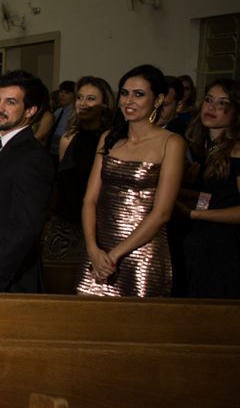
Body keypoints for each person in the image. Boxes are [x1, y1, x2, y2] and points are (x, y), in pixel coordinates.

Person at [76, 66, 183, 297]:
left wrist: (114, 256)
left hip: (142, 255)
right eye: (124, 93)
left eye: (139, 94)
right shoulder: (109, 138)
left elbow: (162, 213)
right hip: (98, 251)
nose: (129, 101)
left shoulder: (171, 142)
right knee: (87, 326)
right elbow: (90, 199)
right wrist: (93, 249)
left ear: (158, 100)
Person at [0, 70, 54, 293]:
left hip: (8, 281)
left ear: (31, 110)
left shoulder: (32, 157)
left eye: (10, 102)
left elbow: (26, 227)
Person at [41, 77, 113, 266]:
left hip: (94, 225)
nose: (83, 103)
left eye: (91, 98)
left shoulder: (112, 141)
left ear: (104, 104)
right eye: (80, 97)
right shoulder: (68, 139)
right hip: (63, 224)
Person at [182, 80, 240, 299]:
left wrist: (194, 214)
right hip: (198, 241)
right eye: (209, 100)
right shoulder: (200, 146)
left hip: (225, 247)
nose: (212, 107)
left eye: (223, 102)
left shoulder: (237, 150)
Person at [49, 80, 76, 163]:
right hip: (52, 151)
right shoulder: (58, 112)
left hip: (64, 153)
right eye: (61, 91)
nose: (62, 94)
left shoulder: (74, 114)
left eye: (67, 92)